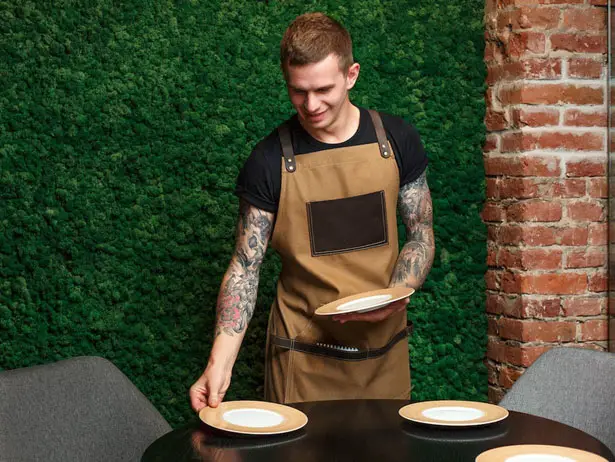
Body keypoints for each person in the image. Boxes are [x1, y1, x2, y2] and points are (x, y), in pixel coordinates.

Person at [190, 12, 434, 410]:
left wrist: (398, 293)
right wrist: (219, 362)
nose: (311, 104)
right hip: (302, 362)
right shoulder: (268, 160)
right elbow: (245, 267)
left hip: (385, 357)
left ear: (351, 74)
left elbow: (421, 232)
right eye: (298, 91)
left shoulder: (396, 139)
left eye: (323, 89)